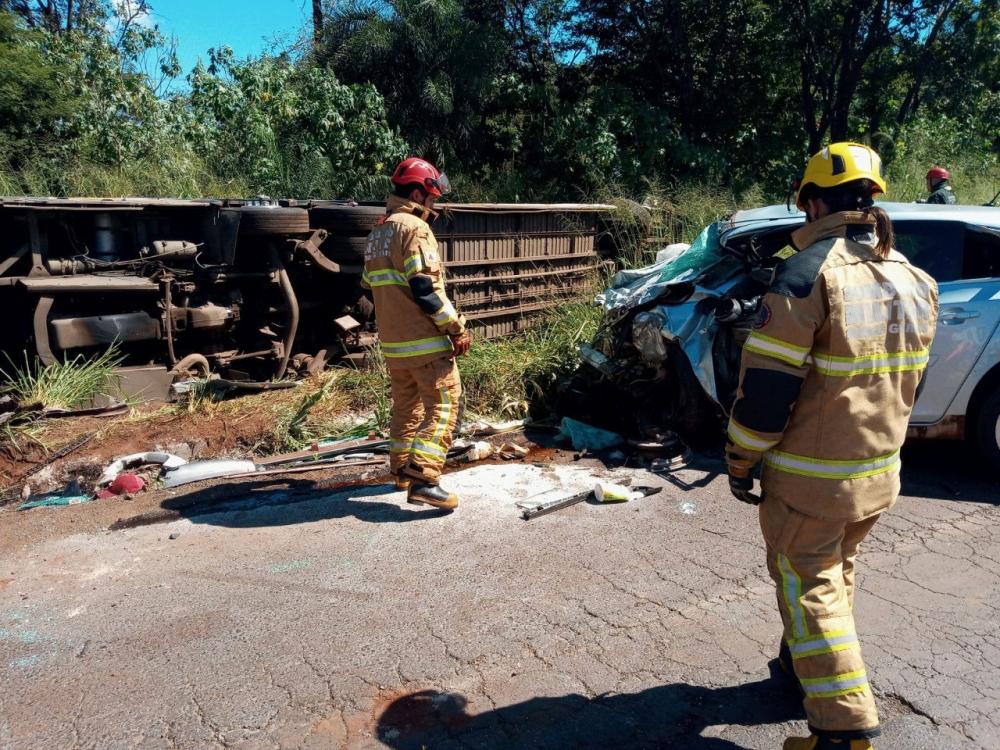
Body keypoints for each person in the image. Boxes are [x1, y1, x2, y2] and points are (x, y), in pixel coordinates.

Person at [725, 143, 938, 749]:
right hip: (878, 474)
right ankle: (801, 671)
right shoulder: (916, 280)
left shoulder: (804, 277)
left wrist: (740, 460)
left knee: (810, 584)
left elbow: (765, 397)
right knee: (834, 571)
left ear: (813, 202)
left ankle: (845, 730)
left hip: (810, 479)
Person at [362, 157, 472, 511]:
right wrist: (456, 328)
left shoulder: (378, 231)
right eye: (431, 197)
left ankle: (402, 471)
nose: (434, 204)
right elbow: (425, 288)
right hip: (425, 343)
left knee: (406, 408)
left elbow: (370, 286)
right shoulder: (414, 228)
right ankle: (424, 478)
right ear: (415, 192)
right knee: (443, 406)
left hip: (394, 345)